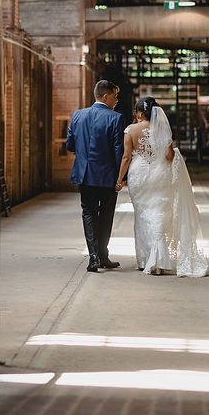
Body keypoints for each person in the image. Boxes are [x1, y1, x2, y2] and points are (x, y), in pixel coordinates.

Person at [115, 97, 208, 277]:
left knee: (142, 216)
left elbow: (126, 157)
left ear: (140, 112)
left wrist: (120, 179)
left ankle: (145, 259)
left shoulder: (130, 130)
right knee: (158, 213)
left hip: (139, 176)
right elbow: (169, 155)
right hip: (160, 175)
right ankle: (158, 260)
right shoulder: (161, 129)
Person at [66, 80, 125, 273]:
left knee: (88, 213)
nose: (117, 100)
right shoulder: (116, 118)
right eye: (115, 96)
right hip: (107, 177)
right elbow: (119, 151)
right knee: (106, 216)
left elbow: (70, 145)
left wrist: (84, 154)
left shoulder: (77, 115)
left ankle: (94, 257)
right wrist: (121, 178)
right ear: (105, 96)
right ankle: (103, 256)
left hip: (84, 175)